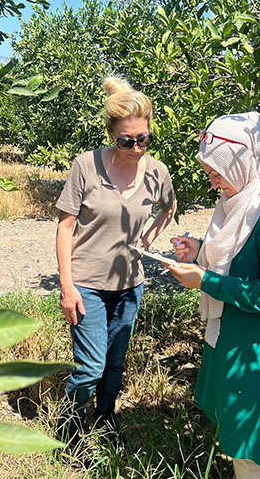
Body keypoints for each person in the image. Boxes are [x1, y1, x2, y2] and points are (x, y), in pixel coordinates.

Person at [166, 112, 260, 478]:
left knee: (252, 443)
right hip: (234, 336)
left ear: (243, 162)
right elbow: (239, 259)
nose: (214, 184)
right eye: (209, 174)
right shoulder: (245, 198)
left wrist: (206, 282)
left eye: (218, 173)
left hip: (259, 348)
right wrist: (199, 251)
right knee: (236, 431)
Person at [55, 76, 176, 433]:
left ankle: (105, 421)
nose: (137, 148)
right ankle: (68, 427)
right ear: (112, 135)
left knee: (115, 362)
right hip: (86, 283)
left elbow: (168, 208)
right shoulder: (86, 166)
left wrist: (148, 239)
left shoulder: (157, 172)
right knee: (91, 366)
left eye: (143, 139)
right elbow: (65, 227)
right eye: (127, 141)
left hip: (129, 285)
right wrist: (66, 286)